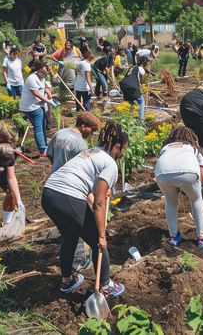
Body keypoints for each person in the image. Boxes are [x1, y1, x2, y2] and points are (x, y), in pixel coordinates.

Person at [42, 122, 128, 296]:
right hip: (67, 195)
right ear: (117, 146)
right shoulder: (110, 163)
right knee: (97, 240)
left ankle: (67, 280)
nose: (123, 153)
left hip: (49, 194)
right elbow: (98, 203)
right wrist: (102, 235)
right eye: (124, 148)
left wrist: (102, 191)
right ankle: (105, 285)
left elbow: (89, 185)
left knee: (70, 236)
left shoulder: (89, 152)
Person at [155, 125, 203, 248]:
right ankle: (201, 237)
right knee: (196, 200)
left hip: (162, 173)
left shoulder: (166, 147)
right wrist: (196, 188)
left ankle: (173, 236)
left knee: (171, 202)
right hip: (188, 172)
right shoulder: (193, 148)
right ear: (190, 138)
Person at [19, 61, 58, 157]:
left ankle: (44, 146)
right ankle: (42, 150)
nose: (44, 74)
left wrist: (50, 97)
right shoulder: (32, 79)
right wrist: (49, 102)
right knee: (39, 128)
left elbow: (46, 88)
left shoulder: (42, 77)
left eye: (45, 73)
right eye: (42, 72)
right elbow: (36, 93)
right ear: (38, 70)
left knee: (43, 125)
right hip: (31, 107)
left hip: (39, 105)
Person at [119, 56, 147, 121]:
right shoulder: (141, 69)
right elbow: (142, 81)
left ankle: (130, 118)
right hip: (132, 86)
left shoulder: (132, 67)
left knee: (131, 101)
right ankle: (141, 120)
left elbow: (128, 77)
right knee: (141, 101)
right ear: (144, 62)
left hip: (124, 85)